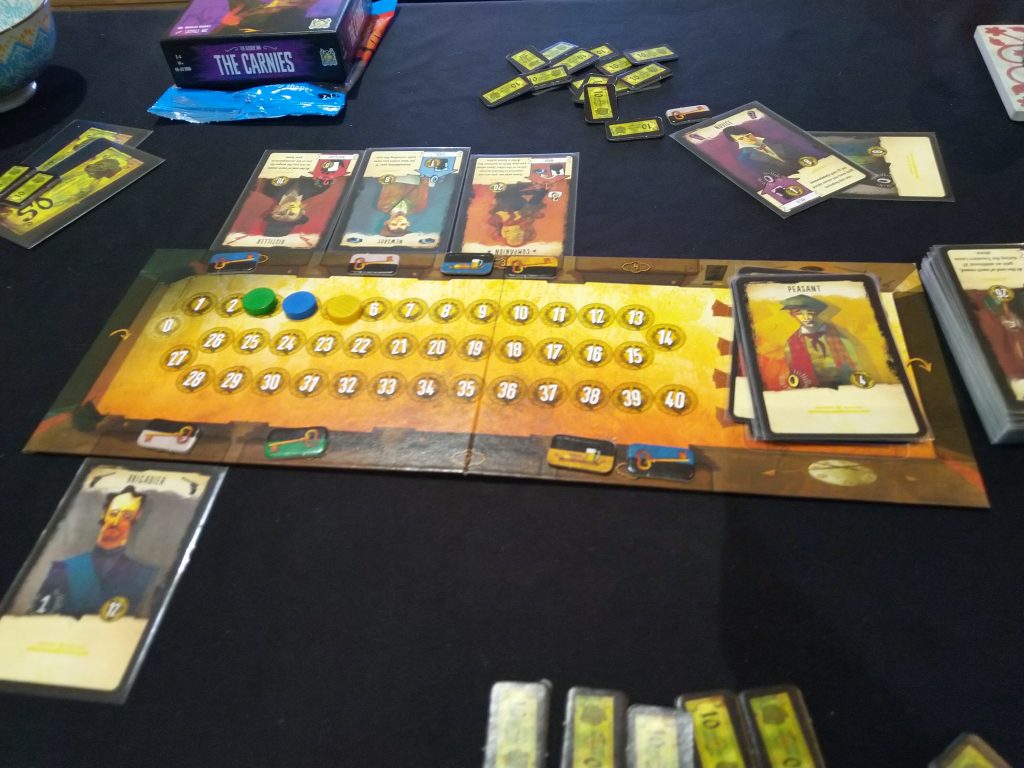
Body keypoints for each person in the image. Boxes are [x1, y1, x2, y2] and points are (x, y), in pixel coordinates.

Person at [32, 487, 158, 618]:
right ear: (104, 514)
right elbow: (39, 616)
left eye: (126, 516)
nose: (115, 522)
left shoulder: (145, 574)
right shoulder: (64, 568)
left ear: (136, 518)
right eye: (113, 513)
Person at [780, 294, 866, 388]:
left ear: (817, 313)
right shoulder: (791, 343)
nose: (806, 317)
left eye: (810, 312)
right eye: (799, 313)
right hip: (812, 389)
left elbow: (856, 365)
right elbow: (793, 373)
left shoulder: (839, 335)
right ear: (792, 315)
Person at [722, 124, 805, 179]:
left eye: (748, 135)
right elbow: (765, 175)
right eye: (741, 138)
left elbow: (801, 154)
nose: (747, 139)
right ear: (735, 141)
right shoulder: (744, 158)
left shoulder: (777, 141)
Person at [488, 183, 548, 248]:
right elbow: (538, 197)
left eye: (507, 232)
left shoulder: (496, 219)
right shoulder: (528, 215)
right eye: (519, 234)